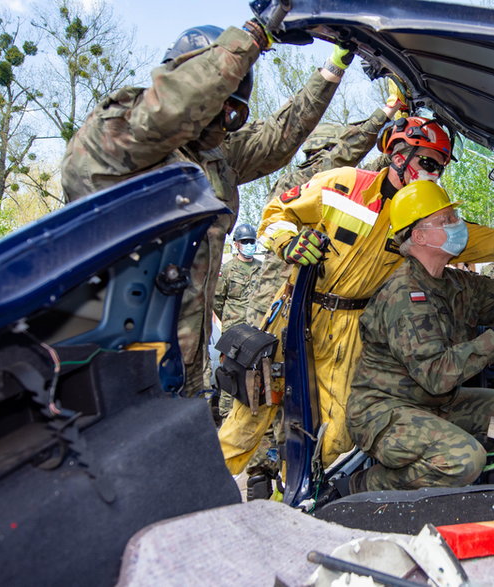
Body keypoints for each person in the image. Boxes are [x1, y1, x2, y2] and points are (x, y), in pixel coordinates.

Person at [218, 115, 494, 474]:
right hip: (298, 314)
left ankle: (301, 512)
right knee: (249, 416)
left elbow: (492, 242)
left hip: (352, 329)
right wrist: (289, 241)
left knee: (335, 436)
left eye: (440, 168)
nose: (435, 175)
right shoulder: (340, 185)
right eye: (430, 165)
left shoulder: (424, 218)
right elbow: (276, 212)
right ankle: (196, 506)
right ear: (399, 157)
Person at [61, 17, 350, 396]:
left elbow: (280, 136)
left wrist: (333, 68)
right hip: (114, 360)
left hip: (181, 360)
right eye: (219, 99)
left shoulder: (213, 156)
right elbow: (169, 111)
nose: (222, 118)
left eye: (232, 110)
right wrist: (253, 37)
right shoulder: (115, 139)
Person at [344, 180, 494, 492]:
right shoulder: (405, 294)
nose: (457, 226)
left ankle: (482, 488)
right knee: (463, 460)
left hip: (432, 404)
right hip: (384, 412)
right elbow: (436, 374)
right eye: (446, 221)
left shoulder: (455, 282)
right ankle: (366, 486)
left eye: (454, 218)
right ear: (418, 236)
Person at [245, 79, 408, 327]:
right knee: (269, 360)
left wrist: (403, 135)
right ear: (327, 149)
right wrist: (386, 112)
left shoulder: (341, 181)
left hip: (306, 293)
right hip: (277, 291)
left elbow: (378, 173)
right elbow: (345, 159)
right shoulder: (303, 179)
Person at [213, 223, 262, 418]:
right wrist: (230, 319)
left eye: (251, 241)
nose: (249, 244)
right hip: (234, 330)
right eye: (245, 242)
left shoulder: (261, 268)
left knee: (254, 371)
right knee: (230, 370)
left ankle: (251, 412)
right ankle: (226, 413)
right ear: (236, 245)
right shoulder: (227, 270)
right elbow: (217, 300)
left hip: (255, 330)